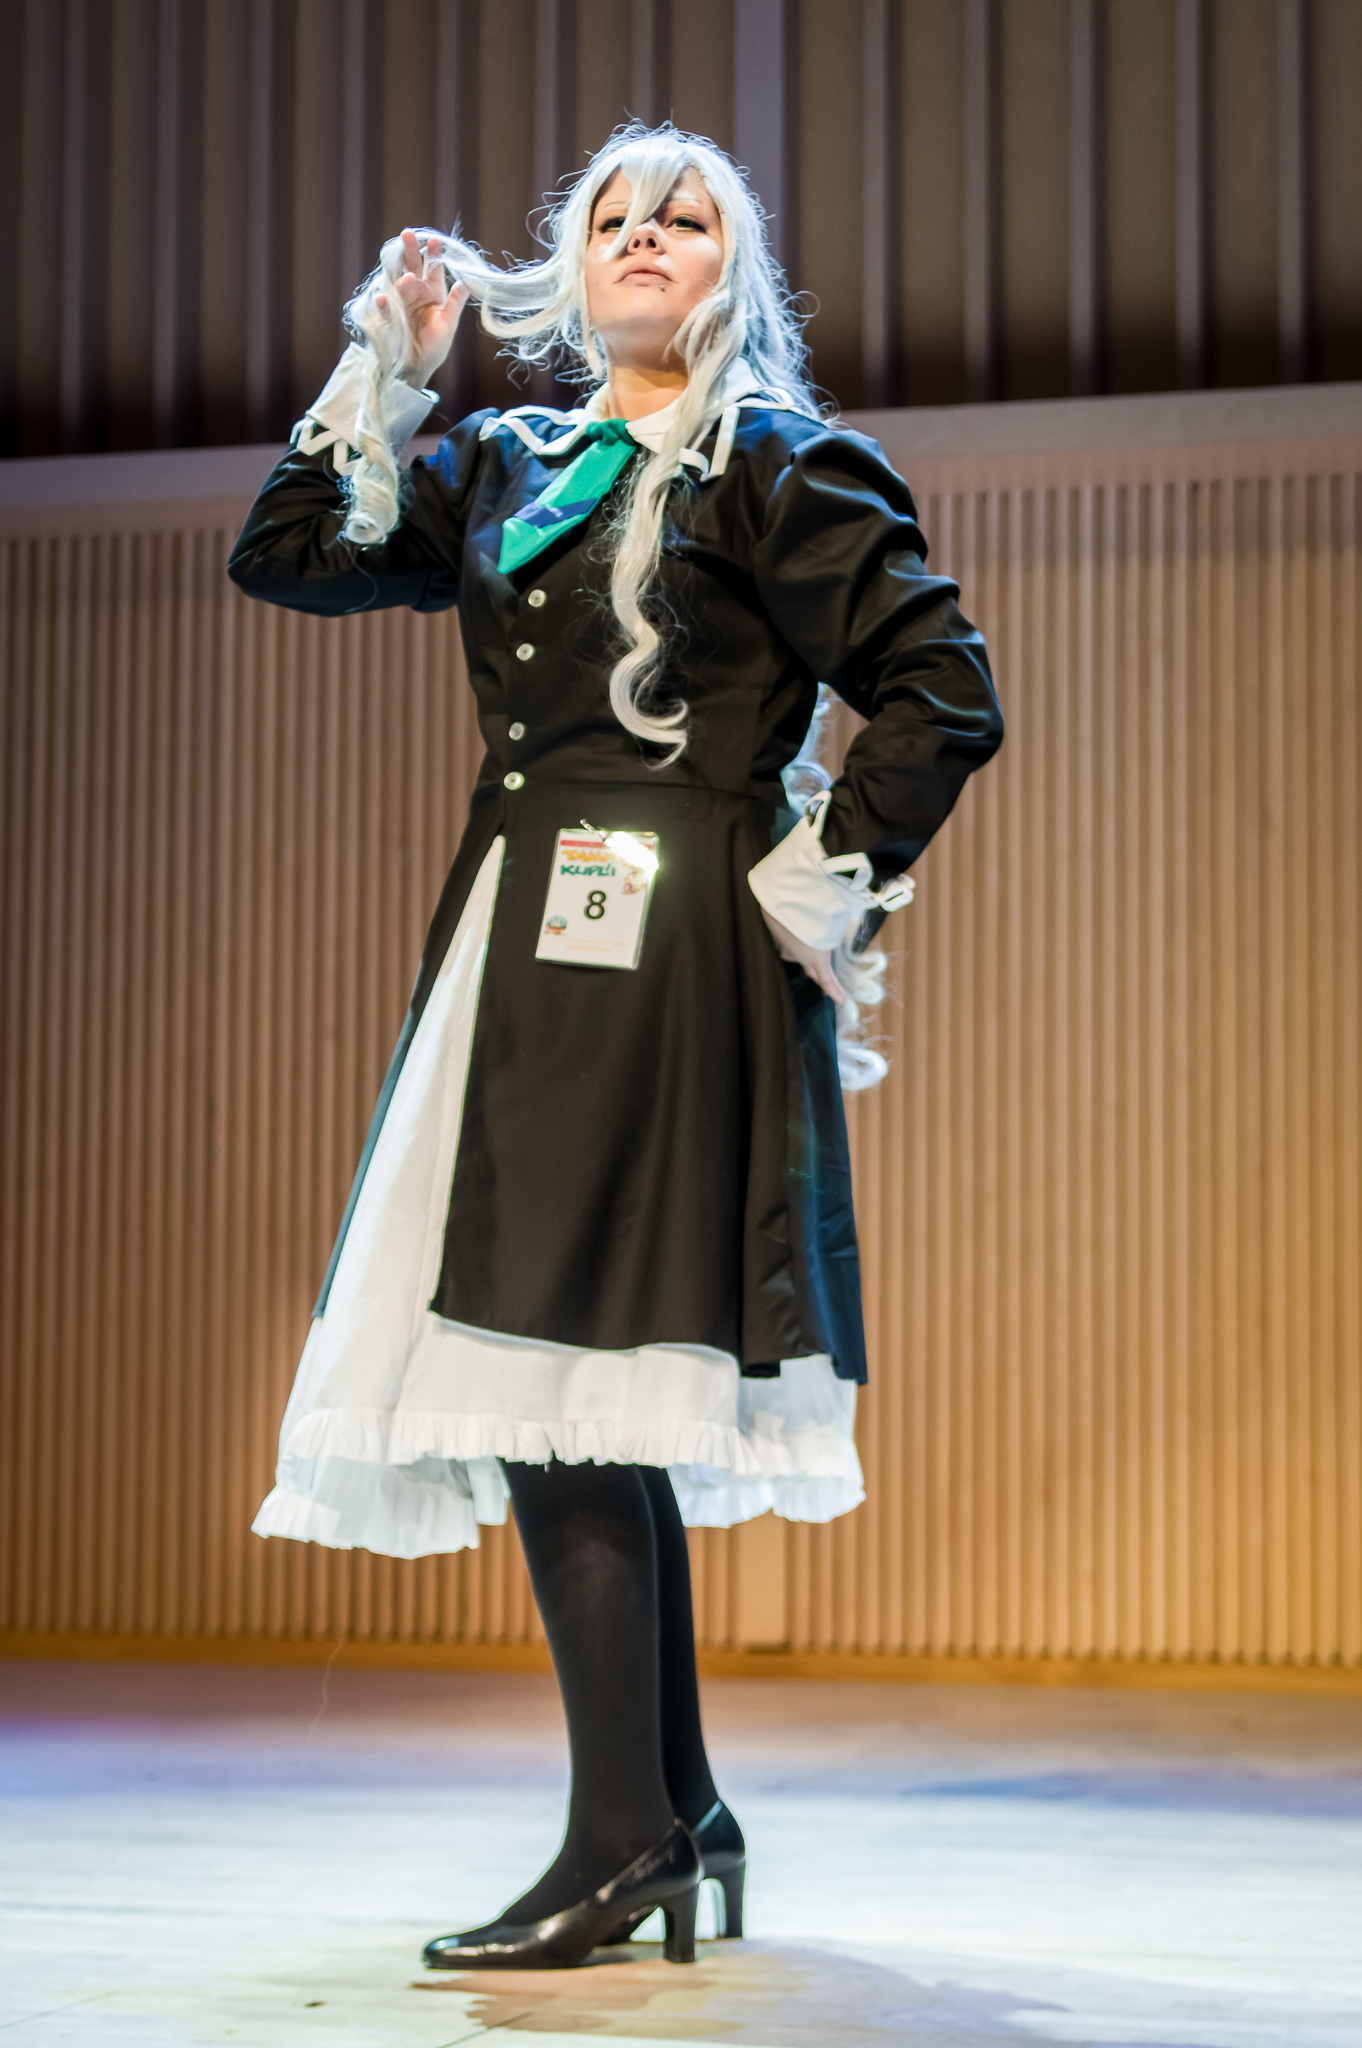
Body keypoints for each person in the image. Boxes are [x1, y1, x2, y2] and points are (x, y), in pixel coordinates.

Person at [228, 122, 1002, 1971]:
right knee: (572, 1390)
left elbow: (939, 693)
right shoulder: (509, 458)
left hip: (664, 959)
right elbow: (288, 555)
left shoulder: (778, 462)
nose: (645, 236)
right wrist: (389, 365)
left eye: (686, 217)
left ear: (736, 270)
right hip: (517, 941)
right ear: (569, 272)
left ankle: (625, 1837)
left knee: (555, 1377)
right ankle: (675, 1808)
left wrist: (810, 884)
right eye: (612, 219)